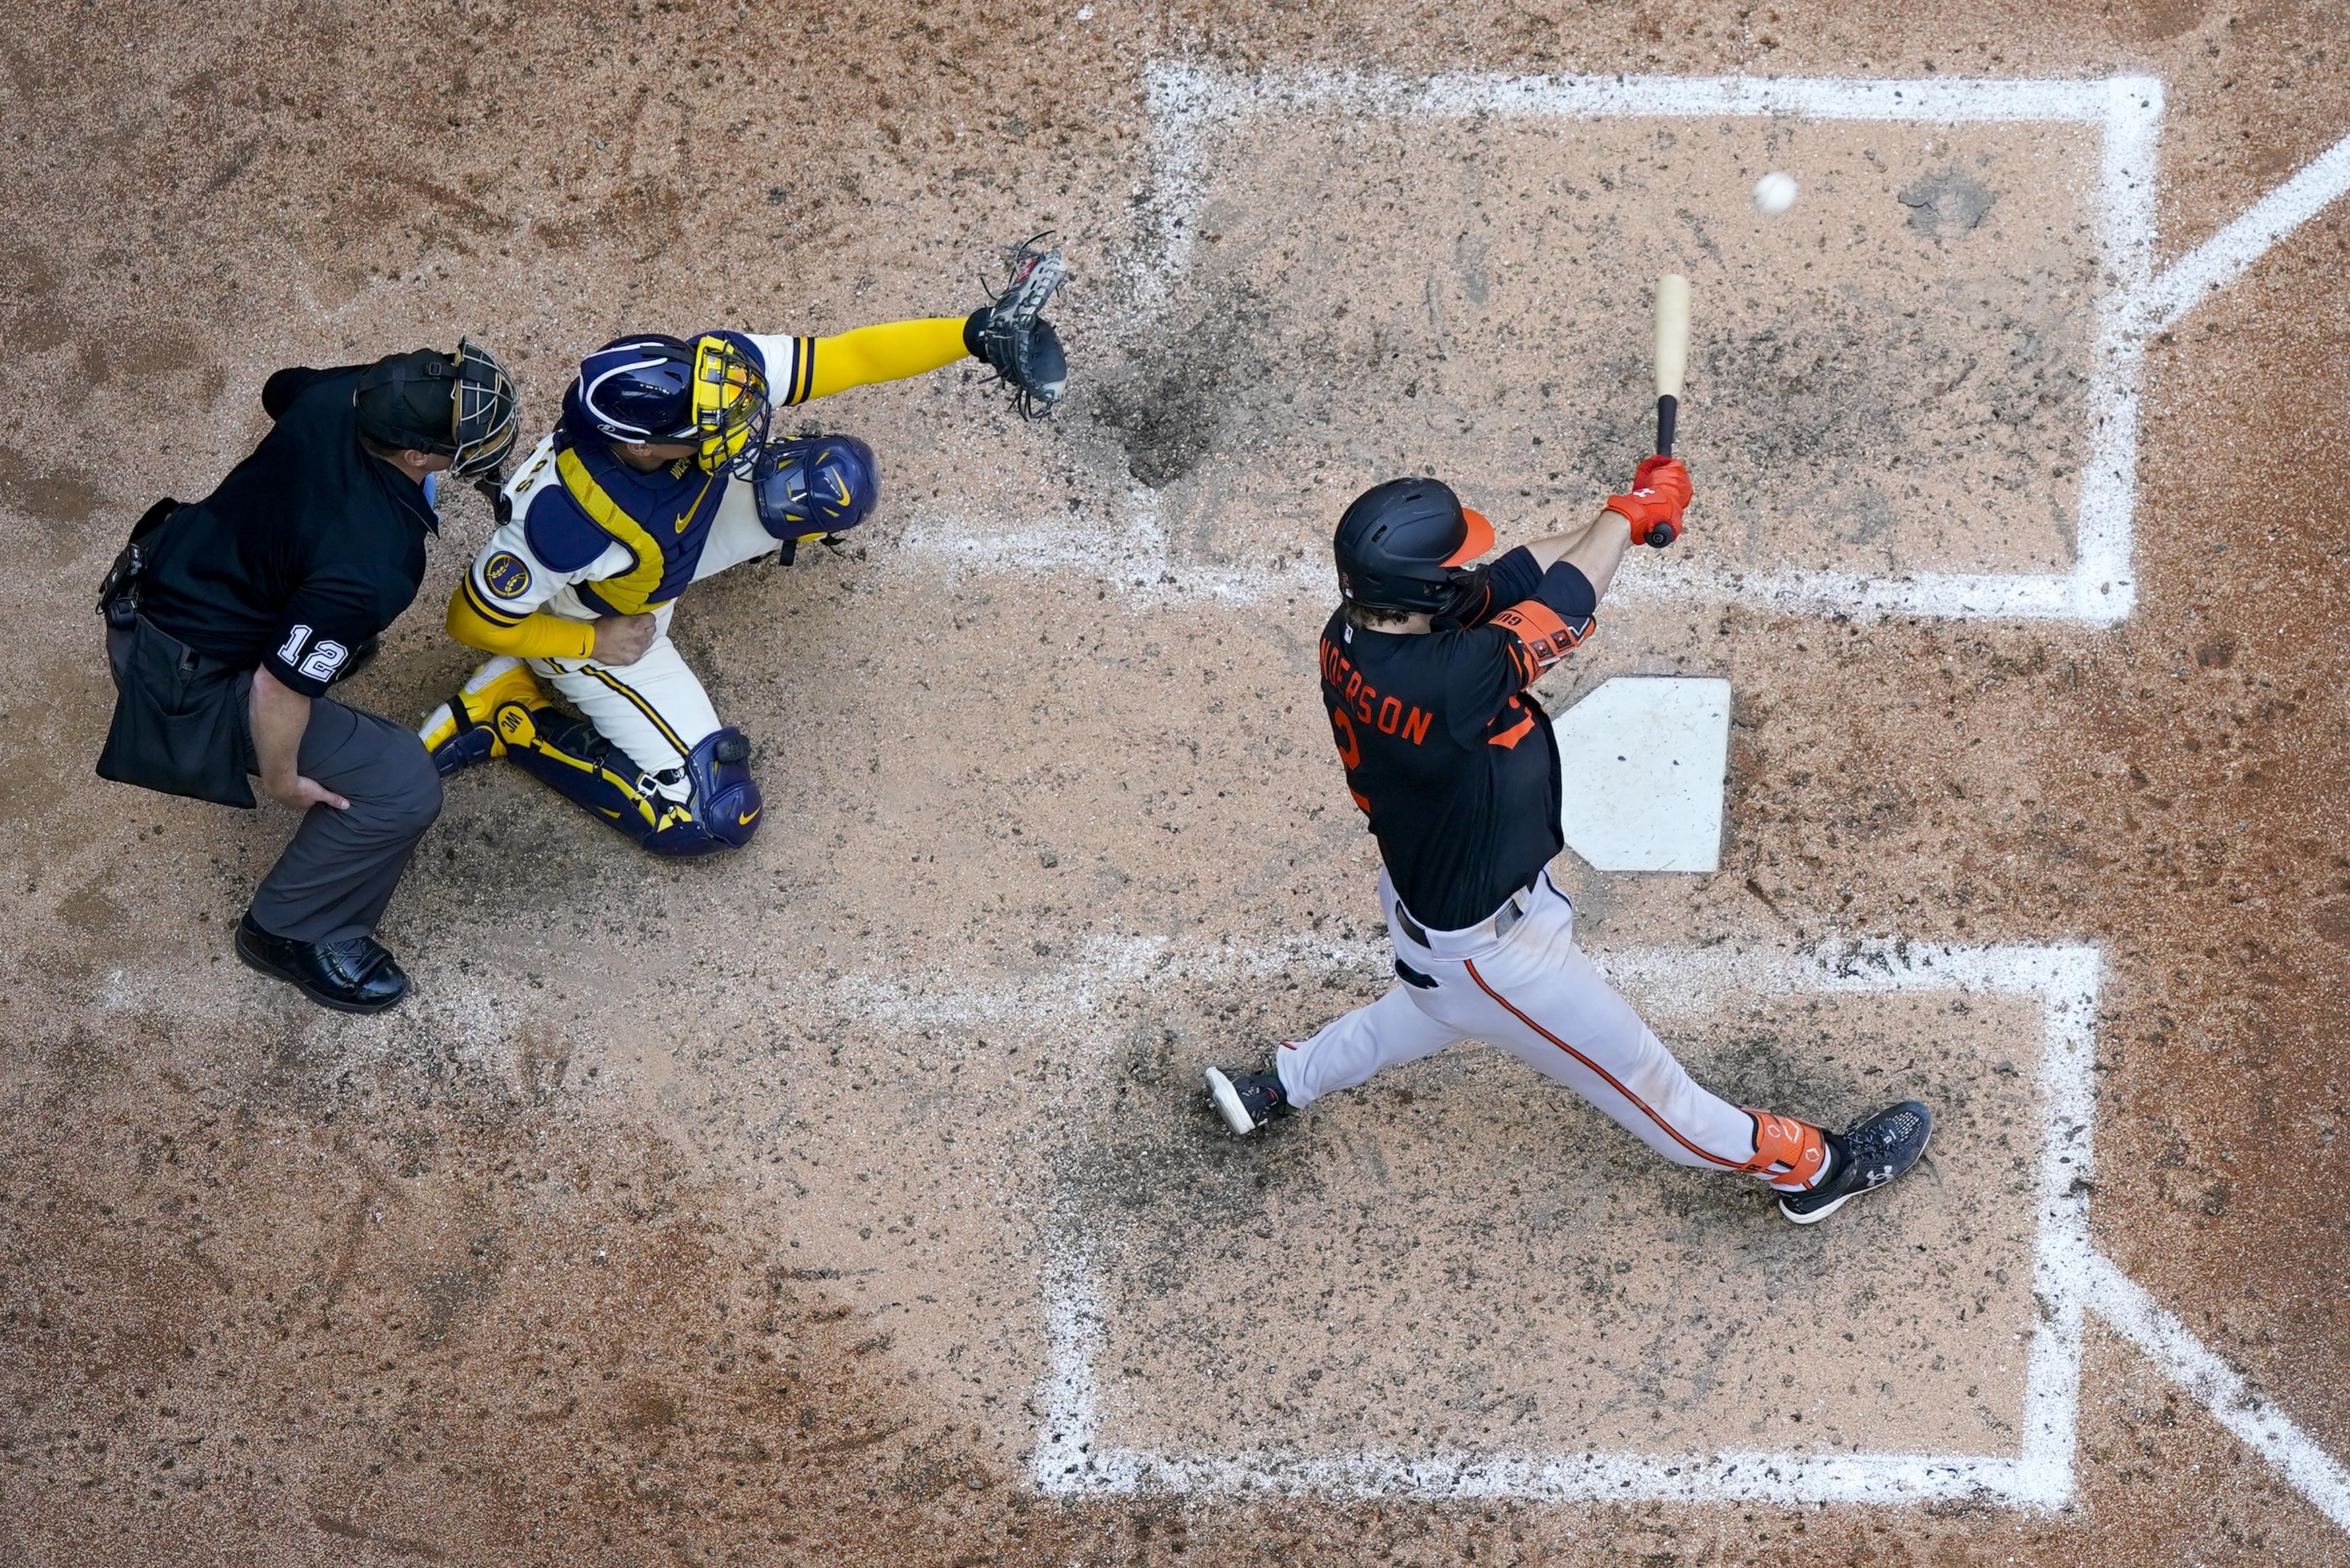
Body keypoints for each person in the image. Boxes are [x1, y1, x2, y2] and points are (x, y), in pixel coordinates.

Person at [1203, 461, 1932, 1224]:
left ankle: (1284, 1085)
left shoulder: (1355, 632)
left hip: (1438, 911)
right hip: (1498, 959)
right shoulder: (1449, 678)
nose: (1464, 574)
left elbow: (1519, 573)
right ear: (1418, 588)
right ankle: (1816, 1171)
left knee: (1427, 1007)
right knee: (1656, 1093)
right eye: (1449, 567)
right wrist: (1626, 518)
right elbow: (1563, 602)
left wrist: (1621, 513)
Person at [417, 240, 1067, 853]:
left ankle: (681, 580)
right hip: (605, 622)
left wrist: (970, 333)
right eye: (710, 428)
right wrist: (592, 645)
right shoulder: (563, 523)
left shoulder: (709, 374)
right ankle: (509, 714)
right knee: (714, 816)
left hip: (664, 555)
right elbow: (471, 620)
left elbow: (849, 358)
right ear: (640, 446)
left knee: (837, 481)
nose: (736, 422)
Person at [96, 341, 521, 1012]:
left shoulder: (348, 394)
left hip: (165, 576)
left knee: (329, 632)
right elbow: (278, 687)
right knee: (404, 785)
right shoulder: (375, 563)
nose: (490, 433)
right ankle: (288, 932)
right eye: (464, 436)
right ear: (414, 455)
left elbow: (278, 387)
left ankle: (319, 643)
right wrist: (284, 777)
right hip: (180, 676)